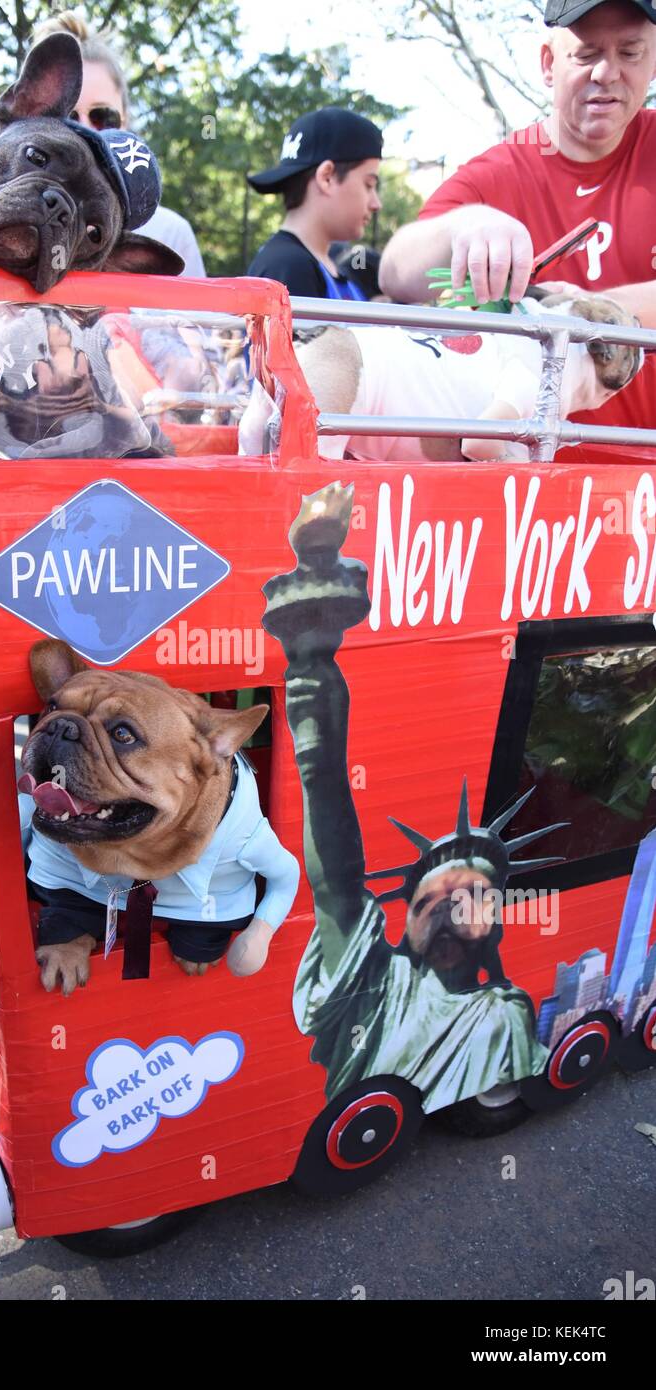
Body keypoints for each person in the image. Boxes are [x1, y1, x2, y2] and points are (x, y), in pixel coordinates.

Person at [261, 484, 558, 1110]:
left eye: (471, 892)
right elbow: (339, 884)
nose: (449, 907)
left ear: (499, 915)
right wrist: (316, 724)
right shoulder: (374, 978)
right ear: (404, 917)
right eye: (431, 899)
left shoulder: (503, 1016)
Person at [379, 0, 656, 431]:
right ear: (549, 63)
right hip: (524, 482)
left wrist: (596, 312)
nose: (607, 72)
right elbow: (395, 271)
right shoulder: (500, 172)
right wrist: (464, 225)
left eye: (630, 53)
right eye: (586, 54)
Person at [32, 11, 207, 277]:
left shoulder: (171, 235)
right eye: (68, 118)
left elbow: (197, 319)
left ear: (124, 121)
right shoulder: (10, 227)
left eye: (103, 117)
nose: (86, 133)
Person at [245, 107, 383, 301]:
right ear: (327, 178)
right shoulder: (288, 268)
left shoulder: (326, 266)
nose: (376, 204)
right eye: (368, 185)